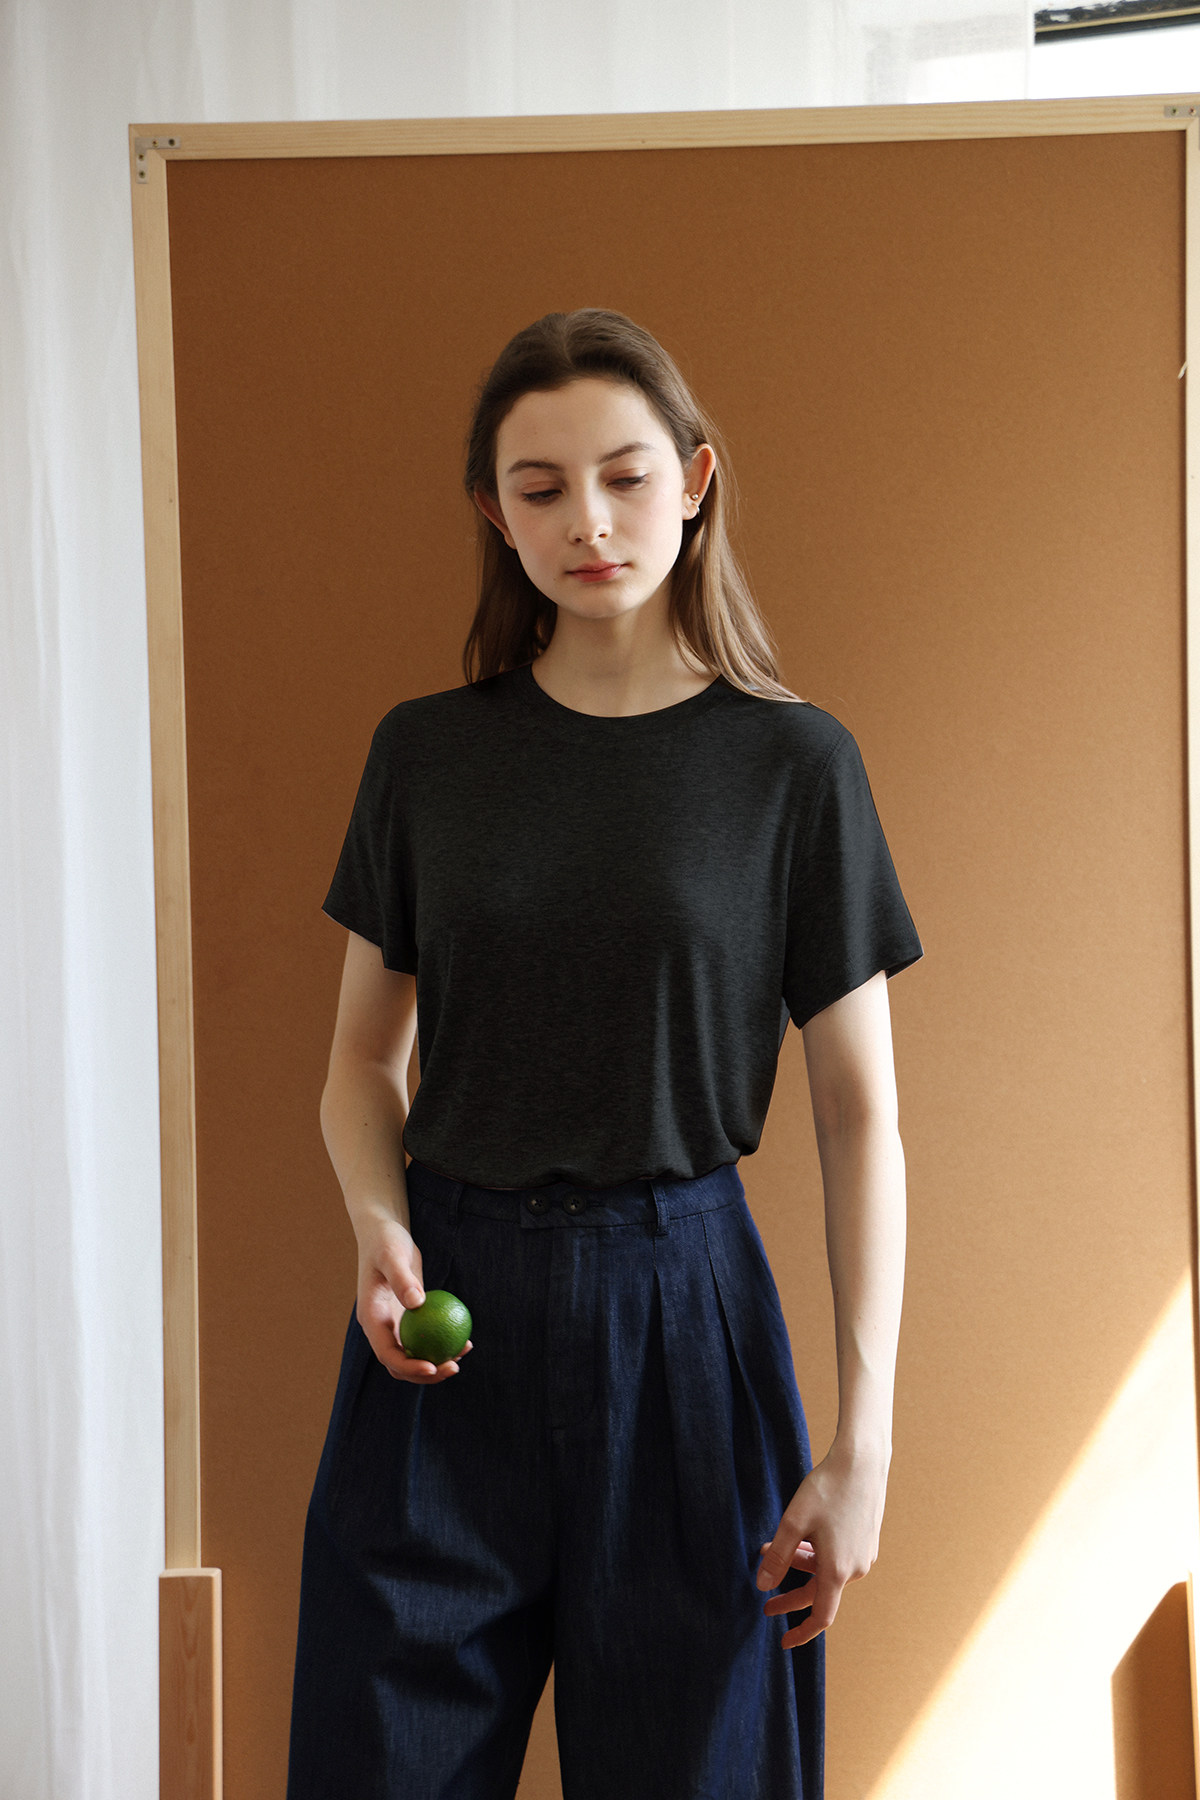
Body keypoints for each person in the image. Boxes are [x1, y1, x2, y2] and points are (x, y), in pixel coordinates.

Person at [286, 307, 922, 1800]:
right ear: (494, 515)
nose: (589, 520)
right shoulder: (427, 755)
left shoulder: (795, 765)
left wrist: (865, 1441)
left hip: (686, 1318)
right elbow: (362, 1067)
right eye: (542, 487)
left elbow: (859, 1118)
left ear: (693, 482)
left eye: (626, 477)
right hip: (447, 1333)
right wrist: (378, 1223)